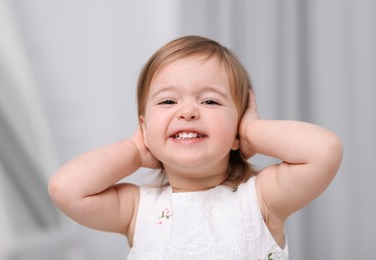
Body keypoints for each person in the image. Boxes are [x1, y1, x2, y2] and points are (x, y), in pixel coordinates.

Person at [48, 35, 343, 259]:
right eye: (168, 101)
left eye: (210, 101)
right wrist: (135, 149)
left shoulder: (261, 199)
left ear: (236, 130)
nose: (187, 111)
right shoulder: (139, 210)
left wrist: (251, 132)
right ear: (144, 128)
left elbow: (324, 151)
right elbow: (66, 189)